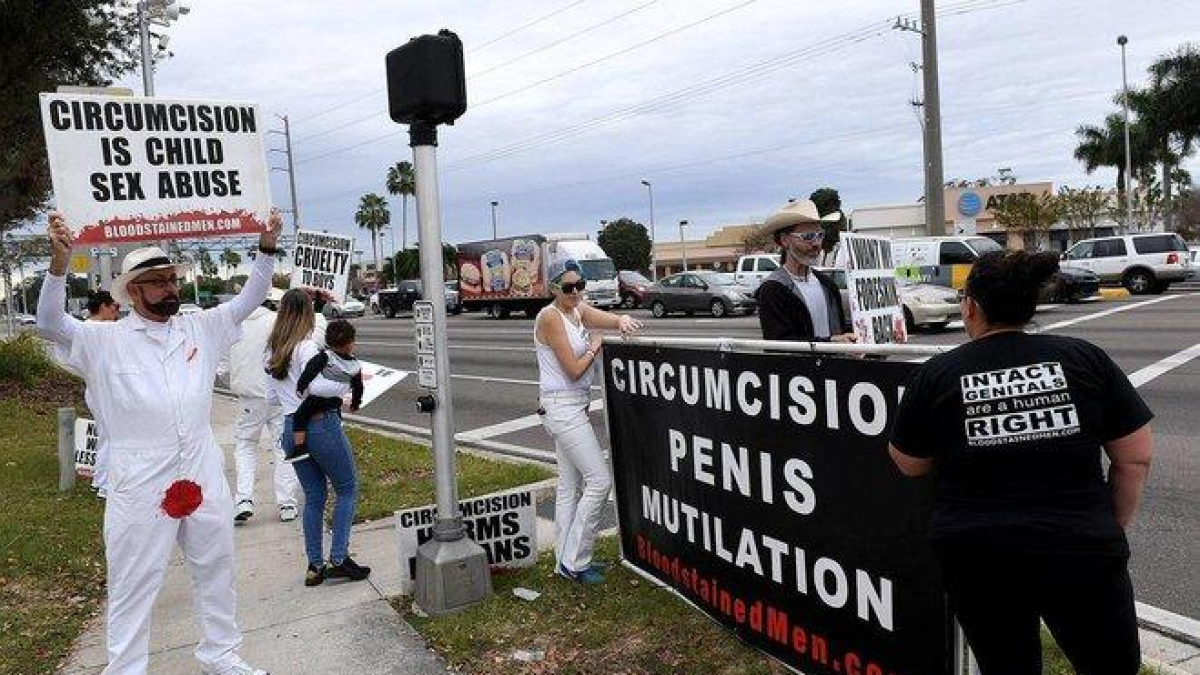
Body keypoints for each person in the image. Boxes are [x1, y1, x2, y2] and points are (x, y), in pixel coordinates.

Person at [37, 211, 282, 675]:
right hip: (139, 479)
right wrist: (59, 264)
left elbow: (247, 301)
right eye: (159, 282)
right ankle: (126, 669)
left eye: (173, 279)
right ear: (133, 291)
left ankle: (221, 656)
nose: (171, 288)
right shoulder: (102, 340)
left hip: (201, 467)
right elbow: (50, 323)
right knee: (134, 581)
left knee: (217, 568)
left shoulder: (198, 327)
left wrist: (266, 247)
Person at [889, 251, 1152, 675]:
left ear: (971, 306)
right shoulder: (1084, 357)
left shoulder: (938, 373)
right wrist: (1110, 521)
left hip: (979, 556)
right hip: (1081, 547)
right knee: (1111, 664)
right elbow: (1135, 455)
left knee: (1006, 664)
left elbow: (909, 463)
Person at [535, 259, 642, 584]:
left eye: (580, 285)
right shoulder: (551, 317)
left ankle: (563, 562)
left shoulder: (576, 309)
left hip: (570, 407)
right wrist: (595, 346)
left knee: (570, 487)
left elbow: (600, 317)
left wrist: (621, 319)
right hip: (562, 408)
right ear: (554, 288)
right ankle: (575, 561)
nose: (576, 292)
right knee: (599, 482)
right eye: (568, 287)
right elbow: (573, 369)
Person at [265, 289, 370, 587]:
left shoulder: (271, 350)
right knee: (347, 488)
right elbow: (321, 389)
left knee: (313, 497)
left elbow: (270, 397)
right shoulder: (309, 348)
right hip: (320, 424)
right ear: (308, 313)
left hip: (289, 426)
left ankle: (314, 566)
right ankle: (339, 557)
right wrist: (344, 396)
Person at [218, 289, 300, 525]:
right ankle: (287, 503)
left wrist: (240, 383)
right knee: (283, 448)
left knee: (245, 446)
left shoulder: (232, 326)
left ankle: (243, 499)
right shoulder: (276, 322)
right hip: (278, 395)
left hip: (248, 398)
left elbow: (222, 369)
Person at [755, 200, 856, 343]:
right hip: (799, 366)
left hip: (835, 365)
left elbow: (840, 328)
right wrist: (831, 342)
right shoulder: (773, 289)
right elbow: (779, 344)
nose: (816, 244)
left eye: (819, 235)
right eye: (808, 237)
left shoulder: (827, 284)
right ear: (785, 240)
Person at [286, 318, 363, 463]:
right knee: (334, 409)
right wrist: (355, 403)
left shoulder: (324, 357)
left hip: (316, 398)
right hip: (335, 399)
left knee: (299, 417)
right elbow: (358, 387)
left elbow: (310, 371)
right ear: (350, 344)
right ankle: (337, 429)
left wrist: (301, 386)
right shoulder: (354, 365)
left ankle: (299, 448)